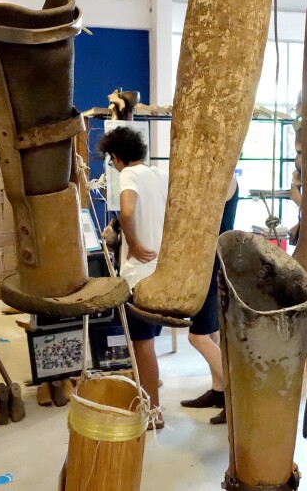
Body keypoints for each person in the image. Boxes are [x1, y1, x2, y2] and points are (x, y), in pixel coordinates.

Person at [96, 126, 169, 428]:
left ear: (116, 156)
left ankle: (153, 411)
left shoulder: (129, 175)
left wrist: (135, 244)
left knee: (142, 345)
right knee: (147, 343)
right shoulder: (160, 175)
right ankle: (149, 399)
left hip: (139, 274)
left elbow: (127, 212)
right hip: (161, 271)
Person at [180, 174, 238, 424]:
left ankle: (236, 396)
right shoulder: (220, 175)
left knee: (198, 337)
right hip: (207, 261)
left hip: (213, 261)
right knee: (211, 334)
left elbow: (204, 219)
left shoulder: (225, 178)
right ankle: (218, 392)